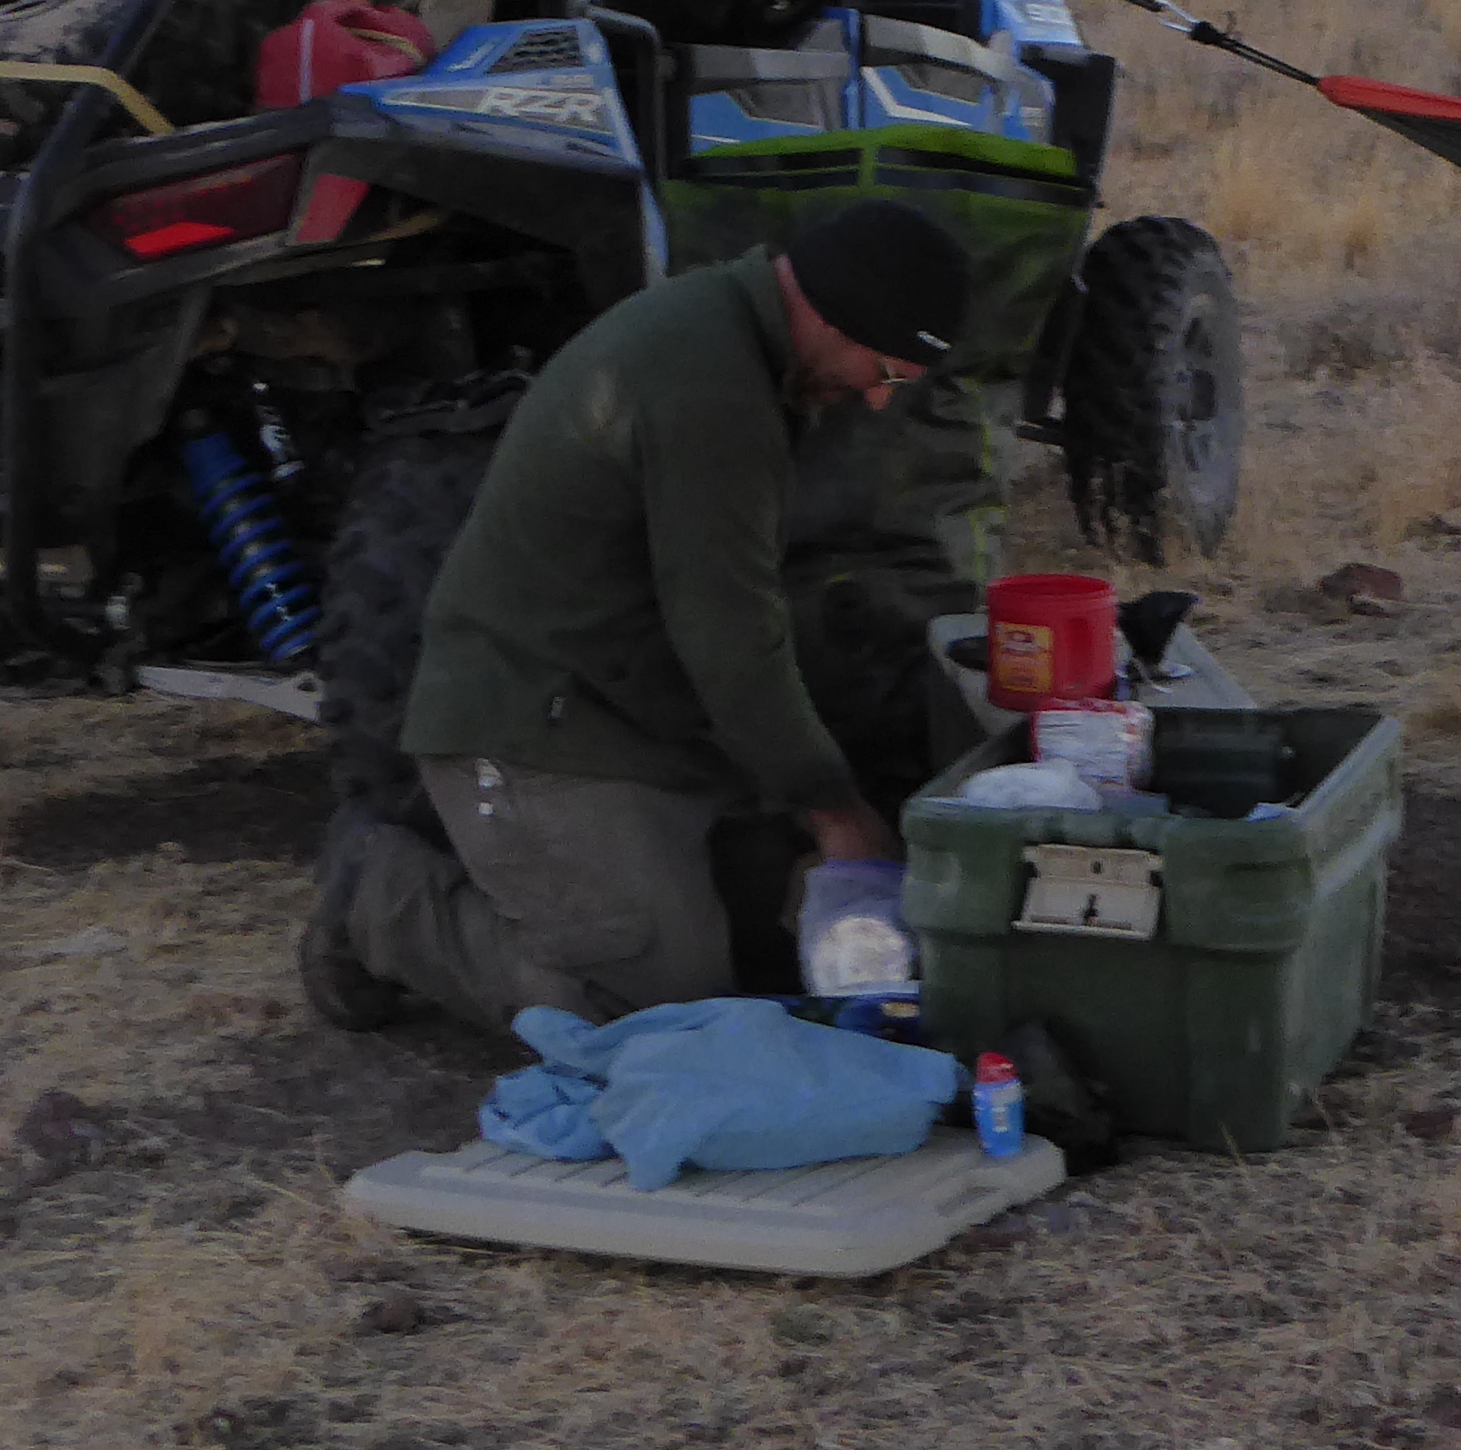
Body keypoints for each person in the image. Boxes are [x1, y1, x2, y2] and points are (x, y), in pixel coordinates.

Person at [308, 197, 973, 1032]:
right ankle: (377, 895)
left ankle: (528, 878)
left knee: (763, 956)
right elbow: (729, 633)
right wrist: (834, 807)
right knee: (644, 1009)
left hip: (626, 711)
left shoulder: (731, 338)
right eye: (886, 373)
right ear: (836, 315)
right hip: (529, 721)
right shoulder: (709, 384)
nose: (877, 401)